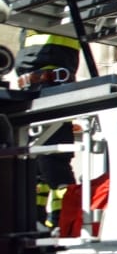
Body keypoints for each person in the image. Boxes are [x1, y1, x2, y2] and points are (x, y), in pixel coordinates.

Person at [13, 30, 80, 227]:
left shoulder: (58, 17)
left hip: (52, 85)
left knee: (52, 160)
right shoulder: (28, 22)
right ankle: (37, 221)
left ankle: (64, 222)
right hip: (32, 88)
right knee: (33, 165)